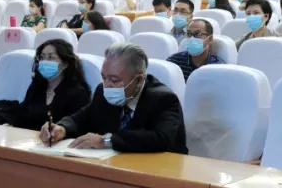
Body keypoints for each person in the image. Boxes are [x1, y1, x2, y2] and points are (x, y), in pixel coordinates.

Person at [41, 43, 187, 153]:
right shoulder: (102, 91)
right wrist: (62, 128)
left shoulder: (163, 99)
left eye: (114, 80)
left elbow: (161, 139)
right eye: (104, 77)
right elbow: (82, 117)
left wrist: (106, 140)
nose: (107, 85)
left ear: (139, 80)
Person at [14, 40, 92, 130]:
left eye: (51, 57)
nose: (44, 61)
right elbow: (21, 117)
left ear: (65, 64)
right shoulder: (36, 87)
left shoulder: (78, 93)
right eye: (42, 57)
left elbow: (77, 127)